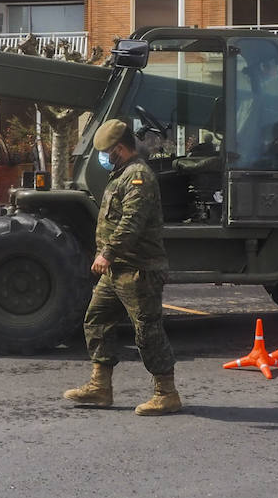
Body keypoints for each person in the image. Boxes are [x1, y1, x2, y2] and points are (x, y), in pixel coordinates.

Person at [63, 118, 181, 416]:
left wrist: (108, 253)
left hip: (138, 270)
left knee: (147, 331)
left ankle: (166, 393)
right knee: (96, 320)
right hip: (117, 270)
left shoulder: (139, 176)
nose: (103, 157)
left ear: (119, 148)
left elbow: (132, 222)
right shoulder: (122, 173)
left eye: (106, 151)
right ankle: (100, 387)